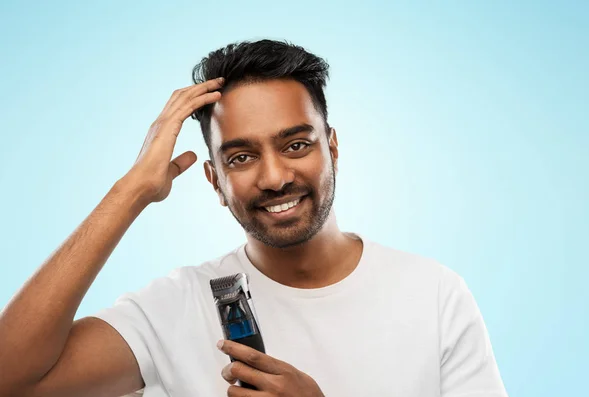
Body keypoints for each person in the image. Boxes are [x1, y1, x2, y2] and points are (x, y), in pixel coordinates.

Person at [0, 40, 508, 397]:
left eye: (296, 144)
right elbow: (10, 378)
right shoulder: (175, 309)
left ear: (332, 147)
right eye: (241, 157)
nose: (274, 176)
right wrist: (130, 191)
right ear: (215, 181)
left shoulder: (434, 294)